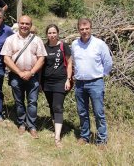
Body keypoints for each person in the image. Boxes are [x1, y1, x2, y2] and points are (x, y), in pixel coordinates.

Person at [1, 15, 46, 139]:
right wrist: (20, 73)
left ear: (31, 25)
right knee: (19, 101)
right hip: (16, 76)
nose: (24, 26)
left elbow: (41, 59)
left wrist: (31, 72)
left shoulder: (37, 40)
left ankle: (32, 126)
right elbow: (6, 58)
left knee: (32, 102)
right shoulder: (10, 39)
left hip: (33, 76)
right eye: (22, 23)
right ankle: (22, 123)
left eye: (27, 24)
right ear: (18, 24)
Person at [71, 18, 113, 147]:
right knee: (82, 112)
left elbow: (108, 63)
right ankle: (85, 136)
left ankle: (101, 140)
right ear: (78, 30)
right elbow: (73, 62)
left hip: (95, 83)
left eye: (87, 28)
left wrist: (100, 75)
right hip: (79, 84)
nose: (84, 31)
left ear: (91, 28)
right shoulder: (74, 44)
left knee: (98, 112)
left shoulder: (99, 44)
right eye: (82, 29)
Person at [41, 24, 73, 148]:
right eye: (49, 33)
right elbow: (41, 66)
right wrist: (39, 83)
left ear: (58, 33)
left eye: (54, 32)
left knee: (57, 106)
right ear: (46, 34)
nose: (52, 35)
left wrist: (68, 79)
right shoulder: (44, 47)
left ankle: (57, 137)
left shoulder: (63, 46)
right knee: (51, 106)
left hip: (60, 81)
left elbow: (69, 63)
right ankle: (57, 129)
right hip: (46, 82)